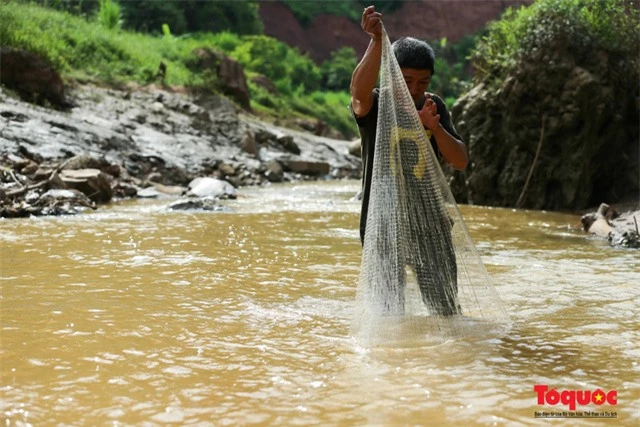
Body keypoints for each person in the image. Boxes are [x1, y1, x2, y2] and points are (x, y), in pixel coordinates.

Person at [350, 5, 468, 316]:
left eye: (423, 82)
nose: (415, 89)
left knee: (446, 311)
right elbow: (358, 92)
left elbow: (460, 160)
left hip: (430, 223)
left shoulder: (434, 106)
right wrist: (376, 41)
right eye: (407, 80)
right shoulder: (376, 105)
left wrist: (434, 126)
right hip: (382, 222)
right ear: (391, 74)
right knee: (389, 314)